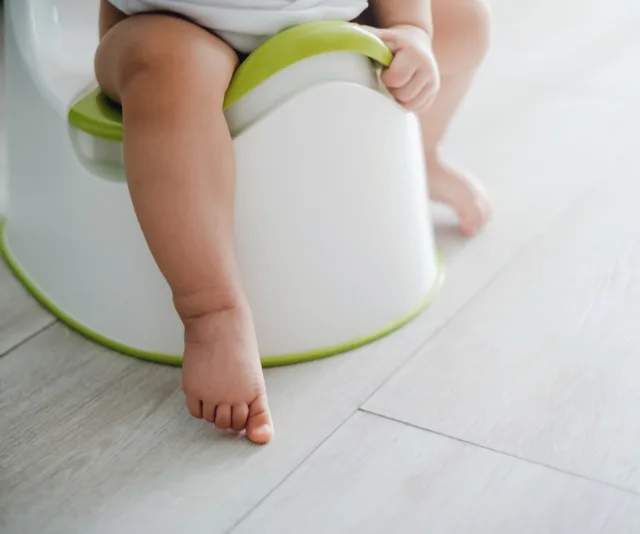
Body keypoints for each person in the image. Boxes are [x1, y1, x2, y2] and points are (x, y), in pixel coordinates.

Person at [95, 0, 492, 445]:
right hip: (173, 24)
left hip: (333, 15)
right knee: (167, 65)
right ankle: (211, 311)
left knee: (464, 22)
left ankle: (421, 154)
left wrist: (411, 27)